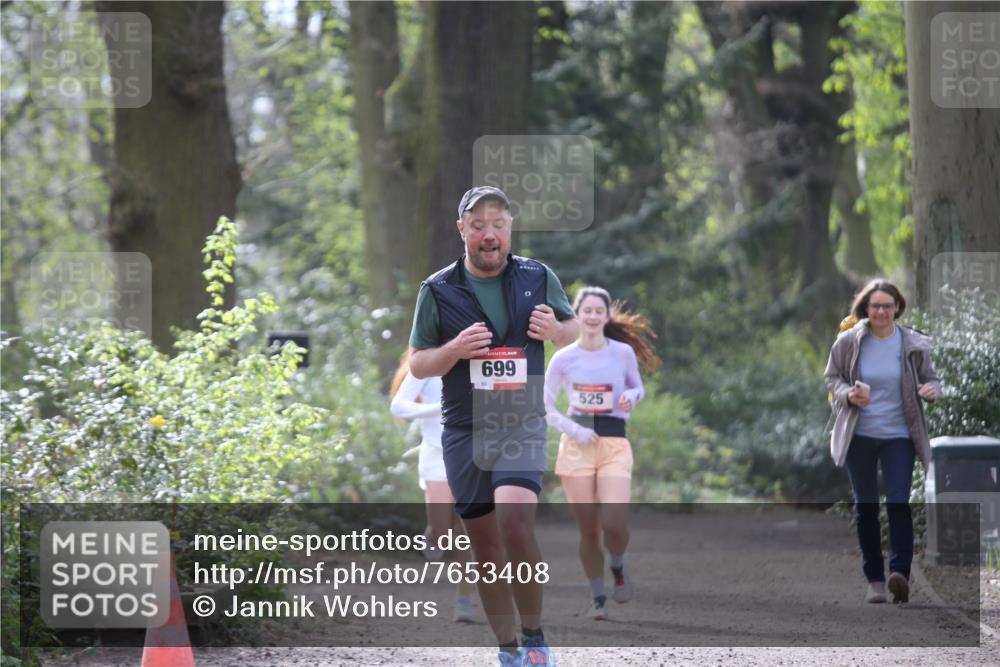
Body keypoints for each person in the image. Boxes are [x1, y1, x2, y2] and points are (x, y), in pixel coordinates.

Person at [408, 186, 578, 667]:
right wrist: (454, 351)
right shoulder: (436, 289)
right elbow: (419, 364)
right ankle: (506, 648)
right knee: (484, 545)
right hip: (465, 429)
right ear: (461, 229)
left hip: (521, 422)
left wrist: (557, 333)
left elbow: (571, 332)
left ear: (510, 228)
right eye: (478, 225)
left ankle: (535, 637)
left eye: (498, 224)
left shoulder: (537, 277)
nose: (489, 234)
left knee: (516, 523)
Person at [543, 287, 659, 620]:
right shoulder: (563, 357)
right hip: (577, 446)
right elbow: (544, 406)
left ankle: (618, 566)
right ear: (577, 316)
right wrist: (575, 429)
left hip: (613, 444)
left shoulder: (622, 353)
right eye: (587, 311)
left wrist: (632, 398)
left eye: (598, 311)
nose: (592, 317)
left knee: (615, 523)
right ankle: (597, 595)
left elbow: (638, 387)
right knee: (589, 531)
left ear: (607, 317)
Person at [824, 279, 940, 605]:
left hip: (899, 436)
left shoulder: (912, 344)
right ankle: (874, 579)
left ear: (897, 308)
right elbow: (832, 378)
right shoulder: (848, 342)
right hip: (859, 436)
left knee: (899, 502)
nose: (881, 311)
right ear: (866, 308)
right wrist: (849, 394)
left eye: (887, 306)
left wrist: (931, 391)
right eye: (875, 305)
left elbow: (931, 378)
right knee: (866, 507)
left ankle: (899, 573)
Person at [390, 351, 478, 623]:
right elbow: (399, 407)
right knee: (443, 531)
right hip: (436, 454)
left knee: (466, 529)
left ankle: (464, 600)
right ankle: (434, 535)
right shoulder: (423, 368)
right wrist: (440, 407)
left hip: (470, 452)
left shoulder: (475, 361)